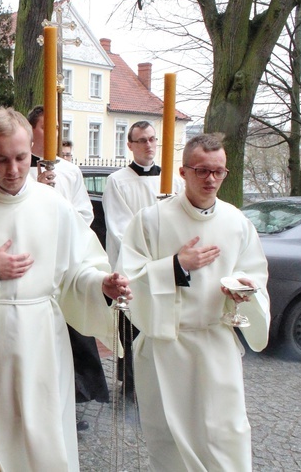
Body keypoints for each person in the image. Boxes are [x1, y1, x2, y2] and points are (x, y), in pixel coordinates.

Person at [0, 107, 130, 471]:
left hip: (44, 337)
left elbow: (77, 272)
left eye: (20, 158)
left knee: (46, 437)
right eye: (1, 160)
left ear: (32, 147)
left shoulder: (57, 207)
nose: (13, 170)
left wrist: (102, 285)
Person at [119, 133, 270, 471]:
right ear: (184, 172)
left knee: (226, 433)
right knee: (168, 437)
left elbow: (256, 274)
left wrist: (245, 289)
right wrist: (175, 266)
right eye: (201, 170)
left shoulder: (237, 223)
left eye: (218, 171)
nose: (211, 179)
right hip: (165, 345)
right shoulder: (151, 220)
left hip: (216, 344)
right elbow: (128, 279)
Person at [27, 105, 107, 425]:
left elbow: (85, 216)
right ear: (31, 130)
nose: (55, 134)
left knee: (70, 337)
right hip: (31, 267)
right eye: (47, 127)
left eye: (59, 128)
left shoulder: (70, 172)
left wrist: (59, 212)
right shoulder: (20, 170)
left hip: (63, 264)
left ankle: (70, 402)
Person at [103, 120, 184, 395]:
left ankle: (161, 379)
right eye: (142, 140)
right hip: (134, 265)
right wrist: (150, 253)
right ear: (130, 145)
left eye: (152, 139)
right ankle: (131, 382)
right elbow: (119, 227)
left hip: (164, 264)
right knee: (133, 322)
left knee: (160, 320)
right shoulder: (117, 181)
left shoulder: (173, 180)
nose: (149, 145)